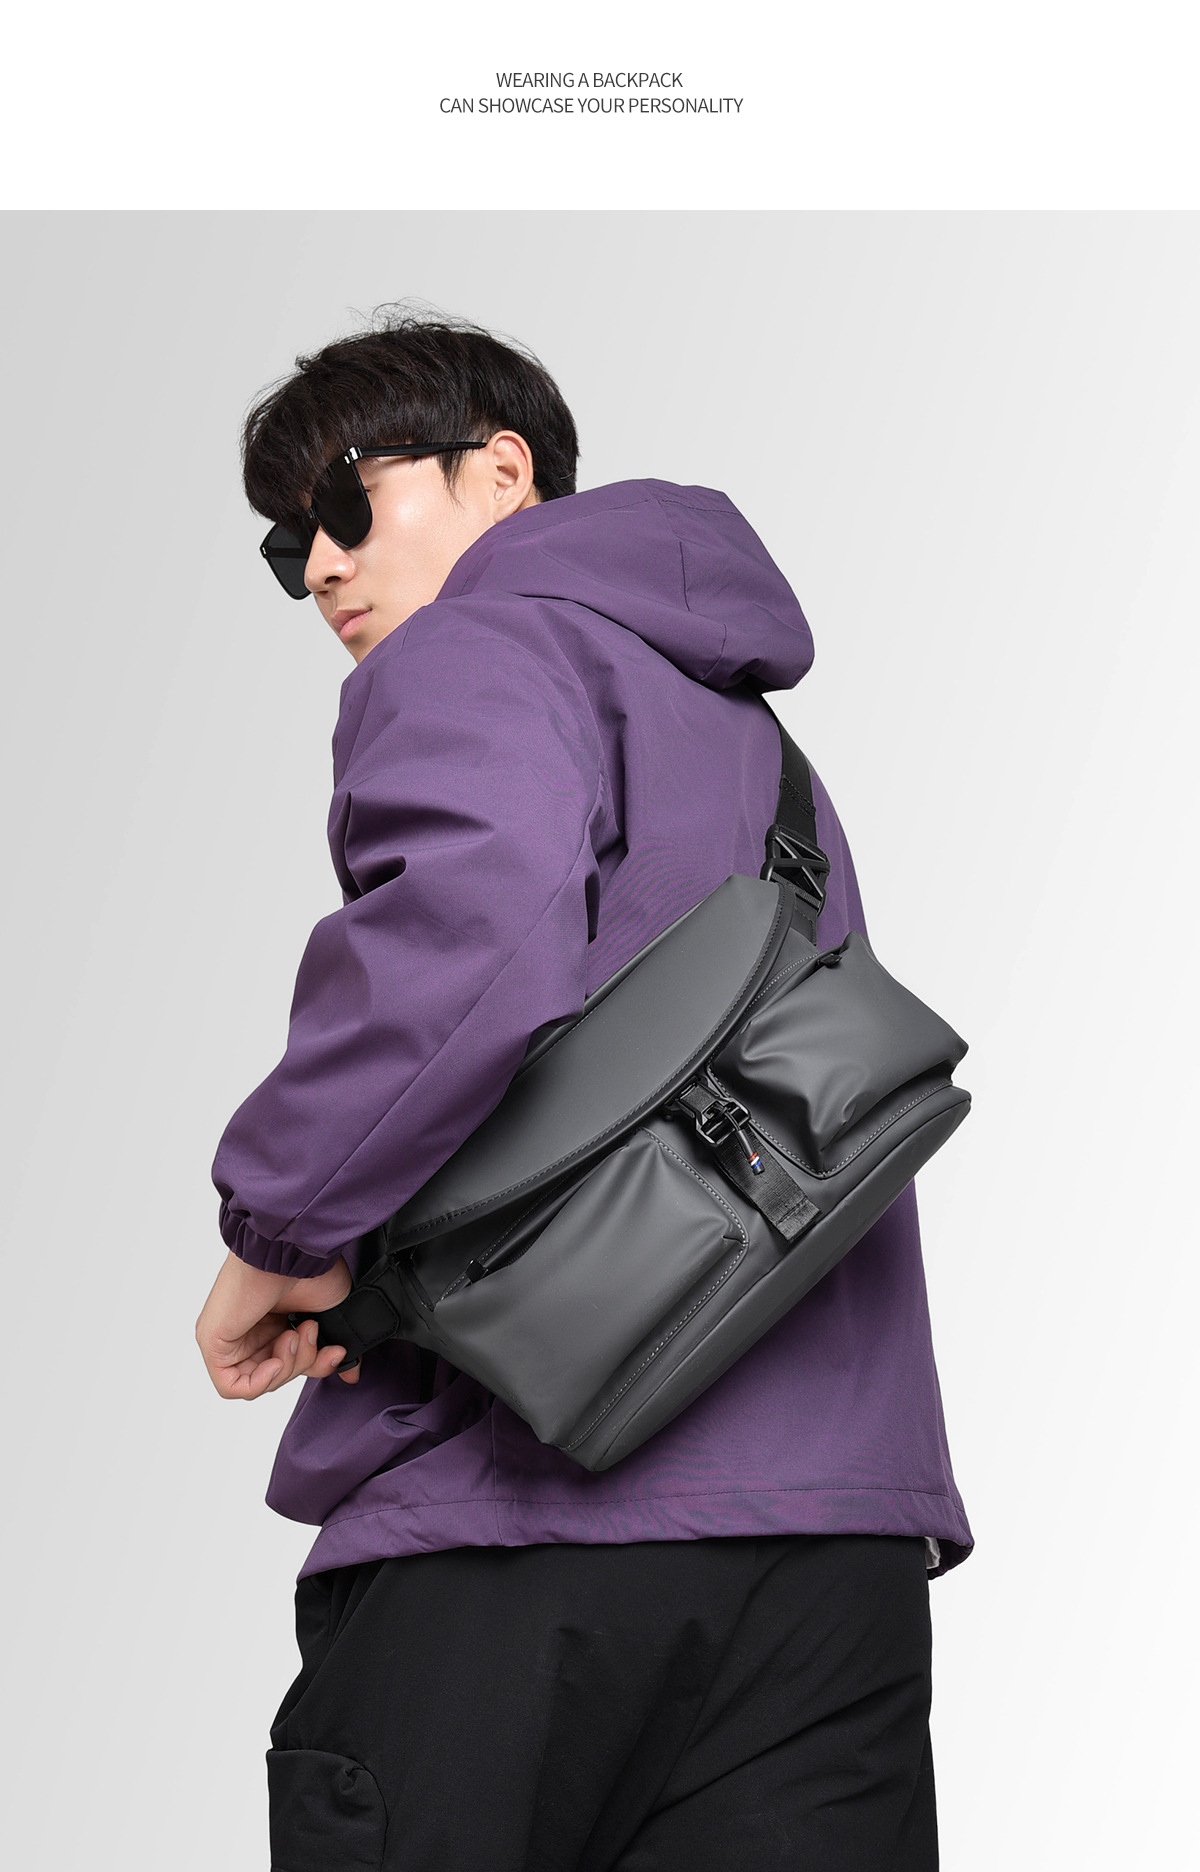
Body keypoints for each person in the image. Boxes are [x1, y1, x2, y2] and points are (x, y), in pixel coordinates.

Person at [195, 310, 972, 1871]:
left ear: (501, 471)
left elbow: (471, 936)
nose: (325, 565)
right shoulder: (749, 735)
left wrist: (277, 1234)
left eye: (347, 501)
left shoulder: (475, 649)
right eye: (290, 547)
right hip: (836, 1539)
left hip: (523, 1528)